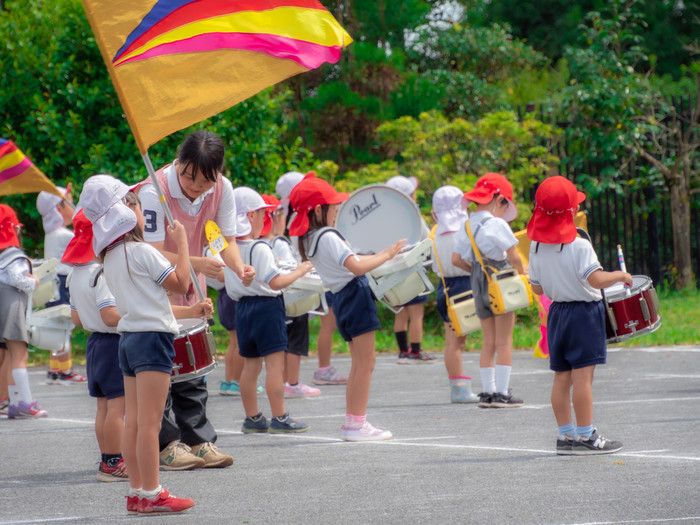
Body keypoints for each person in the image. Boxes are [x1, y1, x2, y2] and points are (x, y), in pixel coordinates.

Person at [79, 174, 195, 514]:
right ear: (127, 210)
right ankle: (153, 492)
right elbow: (182, 283)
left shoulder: (109, 258)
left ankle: (137, 493)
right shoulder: (143, 252)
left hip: (128, 341)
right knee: (150, 423)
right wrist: (183, 245)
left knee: (134, 421)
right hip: (153, 339)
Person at [138, 130, 245, 470]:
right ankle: (166, 444)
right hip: (157, 285)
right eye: (190, 176)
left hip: (192, 285)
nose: (197, 186)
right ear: (178, 162)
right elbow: (150, 252)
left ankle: (199, 441)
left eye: (206, 180)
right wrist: (198, 263)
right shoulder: (152, 191)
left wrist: (240, 268)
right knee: (161, 369)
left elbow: (226, 240)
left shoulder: (222, 188)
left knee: (192, 366)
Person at [290, 173, 404, 441]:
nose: (337, 209)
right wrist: (387, 254)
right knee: (366, 363)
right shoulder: (328, 235)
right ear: (318, 209)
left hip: (341, 299)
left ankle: (354, 422)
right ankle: (356, 424)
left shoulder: (309, 238)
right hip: (355, 295)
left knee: (359, 364)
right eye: (333, 205)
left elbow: (351, 261)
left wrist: (371, 256)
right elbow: (355, 266)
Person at [527, 176, 630, 455]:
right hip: (583, 313)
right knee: (583, 379)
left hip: (556, 313)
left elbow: (536, 287)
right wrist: (620, 275)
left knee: (561, 378)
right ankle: (587, 436)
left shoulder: (535, 245)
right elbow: (596, 280)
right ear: (571, 211)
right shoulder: (579, 244)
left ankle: (565, 437)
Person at [224, 187, 311, 434]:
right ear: (250, 216)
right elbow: (275, 283)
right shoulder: (259, 247)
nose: (265, 219)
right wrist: (299, 271)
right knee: (275, 366)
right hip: (266, 308)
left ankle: (252, 418)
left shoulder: (228, 249)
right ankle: (280, 417)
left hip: (242, 309)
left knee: (250, 367)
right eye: (262, 214)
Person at [63, 210, 127, 482]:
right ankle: (114, 461)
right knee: (117, 407)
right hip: (113, 343)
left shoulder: (75, 275)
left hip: (94, 344)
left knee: (103, 406)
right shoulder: (102, 274)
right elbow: (110, 316)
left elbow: (76, 318)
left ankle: (106, 458)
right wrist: (135, 315)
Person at [452, 172, 526, 408]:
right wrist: (525, 274)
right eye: (505, 206)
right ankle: (502, 394)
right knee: (505, 341)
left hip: (477, 281)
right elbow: (514, 256)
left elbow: (456, 259)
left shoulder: (466, 225)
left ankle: (487, 393)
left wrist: (478, 270)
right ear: (499, 199)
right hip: (500, 282)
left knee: (488, 342)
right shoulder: (497, 224)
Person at [276, 171, 348, 386]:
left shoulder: (288, 217)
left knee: (320, 326)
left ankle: (293, 379)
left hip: (303, 277)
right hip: (308, 278)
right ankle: (318, 371)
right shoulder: (299, 220)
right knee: (324, 325)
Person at [262, 192, 321, 399]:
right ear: (274, 216)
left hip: (271, 300)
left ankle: (283, 381)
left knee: (279, 344)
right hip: (292, 298)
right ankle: (292, 382)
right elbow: (290, 269)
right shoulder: (279, 242)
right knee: (295, 342)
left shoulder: (255, 244)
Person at [430, 186, 479, 403]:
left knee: (452, 341)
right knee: (458, 342)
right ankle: (460, 390)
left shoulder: (435, 233)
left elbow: (433, 265)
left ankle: (457, 386)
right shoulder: (465, 230)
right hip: (465, 285)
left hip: (445, 286)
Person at [0, 204, 48, 419]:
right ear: (13, 229)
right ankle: (25, 402)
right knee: (19, 354)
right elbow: (20, 281)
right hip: (12, 305)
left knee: (9, 355)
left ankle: (14, 401)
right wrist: (35, 280)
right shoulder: (14, 255)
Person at [36, 187, 86, 384]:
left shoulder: (53, 234)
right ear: (60, 207)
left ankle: (55, 367)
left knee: (56, 327)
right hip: (63, 283)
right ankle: (65, 369)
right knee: (65, 327)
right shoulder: (63, 235)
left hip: (53, 285)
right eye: (70, 202)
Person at [386, 176, 436, 364]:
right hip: (412, 268)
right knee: (416, 314)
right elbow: (426, 238)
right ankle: (416, 351)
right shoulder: (413, 215)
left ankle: (402, 351)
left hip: (391, 269)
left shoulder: (383, 217)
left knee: (400, 311)